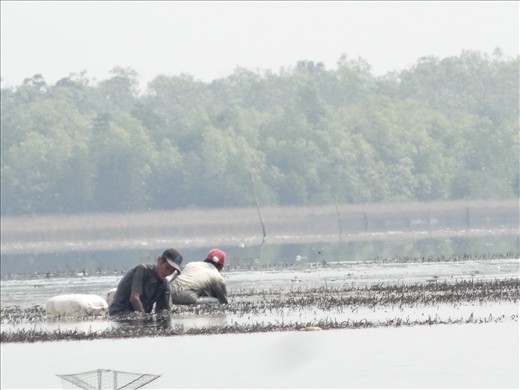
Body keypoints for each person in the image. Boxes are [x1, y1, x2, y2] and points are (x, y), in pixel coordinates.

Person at [108, 248, 183, 316]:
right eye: (167, 267)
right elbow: (134, 298)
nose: (167, 272)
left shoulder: (164, 284)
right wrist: (144, 318)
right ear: (159, 260)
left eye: (171, 271)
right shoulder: (142, 270)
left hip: (139, 314)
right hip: (119, 312)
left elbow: (162, 310)